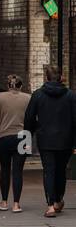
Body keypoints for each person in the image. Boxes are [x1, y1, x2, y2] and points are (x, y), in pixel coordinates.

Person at [24, 64, 76, 218]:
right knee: (61, 171)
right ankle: (58, 199)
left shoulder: (38, 95)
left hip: (45, 140)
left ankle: (50, 205)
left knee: (48, 171)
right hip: (65, 140)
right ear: (60, 77)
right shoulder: (71, 96)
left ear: (46, 77)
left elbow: (29, 119)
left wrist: (28, 138)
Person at [0, 74, 31, 213]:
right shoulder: (28, 98)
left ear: (8, 86)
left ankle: (4, 201)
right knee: (18, 171)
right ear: (21, 86)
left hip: (4, 137)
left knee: (5, 170)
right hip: (23, 137)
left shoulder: (0, 97)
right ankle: (16, 204)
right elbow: (33, 119)